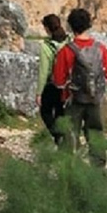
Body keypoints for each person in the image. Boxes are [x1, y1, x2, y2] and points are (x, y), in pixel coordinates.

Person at [52, 8, 107, 164]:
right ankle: (98, 171)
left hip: (73, 100)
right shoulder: (101, 49)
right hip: (95, 100)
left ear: (71, 27)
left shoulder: (66, 51)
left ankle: (68, 169)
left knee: (69, 134)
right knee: (96, 134)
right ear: (89, 25)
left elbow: (59, 81)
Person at [35, 14, 68, 145]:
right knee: (60, 111)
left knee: (45, 111)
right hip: (67, 84)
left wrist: (39, 93)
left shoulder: (46, 47)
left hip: (53, 84)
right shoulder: (69, 42)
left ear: (47, 28)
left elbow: (44, 71)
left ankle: (57, 135)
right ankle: (63, 139)